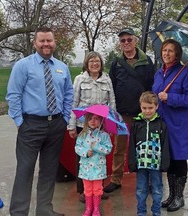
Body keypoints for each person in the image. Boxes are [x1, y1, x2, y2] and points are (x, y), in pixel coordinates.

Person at [6, 26, 73, 216]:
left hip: (56, 125)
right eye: (42, 41)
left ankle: (44, 209)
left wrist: (65, 118)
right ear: (35, 43)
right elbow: (13, 95)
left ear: (54, 43)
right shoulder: (23, 66)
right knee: (25, 170)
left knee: (49, 170)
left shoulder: (62, 67)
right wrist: (20, 122)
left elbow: (68, 94)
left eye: (49, 40)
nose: (46, 44)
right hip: (30, 125)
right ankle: (19, 212)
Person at [104, 27, 156, 193]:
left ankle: (145, 180)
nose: (126, 43)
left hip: (142, 114)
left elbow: (151, 86)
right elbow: (111, 86)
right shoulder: (116, 63)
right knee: (119, 148)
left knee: (144, 148)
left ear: (135, 41)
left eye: (129, 39)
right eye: (122, 40)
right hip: (122, 114)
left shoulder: (147, 61)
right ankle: (116, 179)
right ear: (120, 44)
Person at [152, 39, 188, 212]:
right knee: (168, 159)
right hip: (162, 122)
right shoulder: (158, 73)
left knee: (179, 159)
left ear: (177, 54)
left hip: (178, 124)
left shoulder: (186, 74)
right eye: (164, 50)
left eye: (171, 51)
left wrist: (170, 98)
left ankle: (179, 196)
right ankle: (171, 195)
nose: (166, 54)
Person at [67, 51, 116, 202]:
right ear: (87, 64)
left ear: (101, 64)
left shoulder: (107, 80)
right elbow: (74, 103)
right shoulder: (80, 79)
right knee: (83, 156)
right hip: (84, 125)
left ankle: (98, 189)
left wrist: (112, 125)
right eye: (91, 61)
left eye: (97, 61)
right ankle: (83, 190)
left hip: (101, 126)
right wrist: (72, 126)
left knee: (100, 156)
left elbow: (112, 103)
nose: (95, 64)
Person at [128, 91, 170, 216]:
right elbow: (131, 145)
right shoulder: (136, 124)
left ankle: (156, 212)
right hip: (141, 164)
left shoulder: (161, 124)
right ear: (140, 107)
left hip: (156, 165)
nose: (147, 111)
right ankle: (141, 212)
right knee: (141, 189)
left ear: (156, 106)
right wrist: (132, 162)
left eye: (150, 108)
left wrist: (164, 163)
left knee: (157, 189)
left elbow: (165, 145)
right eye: (144, 108)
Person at [75, 113, 113, 216]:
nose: (92, 121)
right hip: (85, 168)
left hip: (98, 169)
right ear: (86, 121)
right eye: (90, 119)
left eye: (96, 119)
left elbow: (108, 149)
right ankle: (88, 208)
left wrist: (96, 147)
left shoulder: (104, 135)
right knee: (87, 189)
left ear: (101, 121)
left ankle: (96, 209)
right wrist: (85, 152)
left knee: (97, 189)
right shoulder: (82, 134)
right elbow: (77, 147)